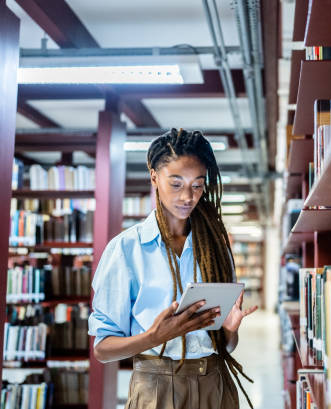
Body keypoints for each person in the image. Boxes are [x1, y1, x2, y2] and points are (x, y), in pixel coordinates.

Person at [88, 128, 258, 409]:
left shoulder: (215, 247)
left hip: (215, 382)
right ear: (154, 177)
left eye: (198, 184)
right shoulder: (126, 249)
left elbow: (226, 346)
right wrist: (154, 337)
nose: (188, 197)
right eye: (176, 183)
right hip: (157, 388)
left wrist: (230, 331)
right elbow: (103, 349)